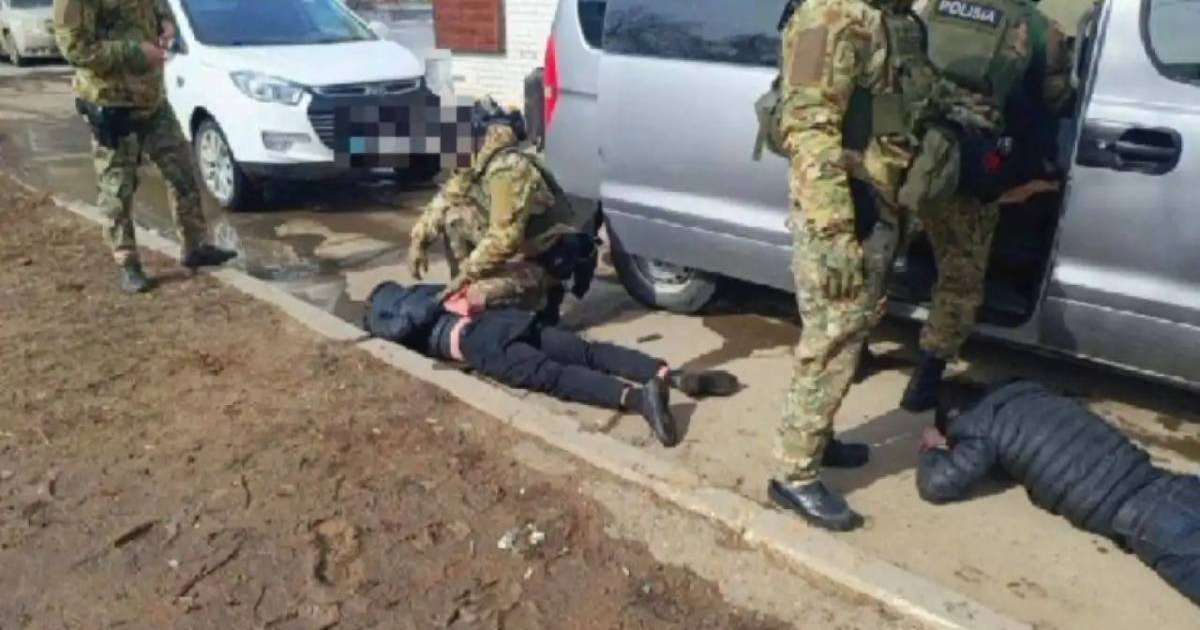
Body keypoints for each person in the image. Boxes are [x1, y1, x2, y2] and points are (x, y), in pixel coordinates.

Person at [765, 0, 932, 531]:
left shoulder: (882, 15)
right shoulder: (831, 16)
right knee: (833, 340)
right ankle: (794, 476)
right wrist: (837, 233)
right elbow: (809, 127)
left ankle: (819, 437)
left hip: (873, 200)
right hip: (843, 208)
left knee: (848, 331)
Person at [899, 0, 1074, 412]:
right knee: (960, 279)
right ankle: (924, 383)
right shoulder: (1038, 28)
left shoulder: (934, 7)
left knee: (879, 256)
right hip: (971, 166)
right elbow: (1057, 101)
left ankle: (852, 354)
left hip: (911, 156)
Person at [918, 380, 1200, 606]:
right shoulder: (1031, 392)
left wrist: (933, 449)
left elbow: (937, 485)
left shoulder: (978, 428)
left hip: (1142, 518)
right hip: (1167, 483)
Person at [362, 280, 740, 447]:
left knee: (553, 376)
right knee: (586, 351)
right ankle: (668, 375)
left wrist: (426, 312)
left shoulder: (391, 312)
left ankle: (638, 399)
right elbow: (461, 292)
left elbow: (399, 329)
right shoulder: (425, 289)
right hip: (501, 320)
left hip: (477, 342)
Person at [53, 0, 236, 294]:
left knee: (182, 171)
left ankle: (195, 245)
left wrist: (165, 23)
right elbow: (76, 49)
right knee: (118, 187)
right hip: (113, 104)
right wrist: (136, 52)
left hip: (152, 99)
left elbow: (156, 6)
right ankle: (128, 262)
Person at [407, 98, 594, 325]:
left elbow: (504, 239)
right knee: (454, 217)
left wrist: (466, 275)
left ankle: (548, 299)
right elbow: (448, 197)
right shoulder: (474, 157)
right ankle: (470, 301)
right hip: (519, 249)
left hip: (545, 259)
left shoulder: (509, 168)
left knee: (477, 295)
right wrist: (419, 238)